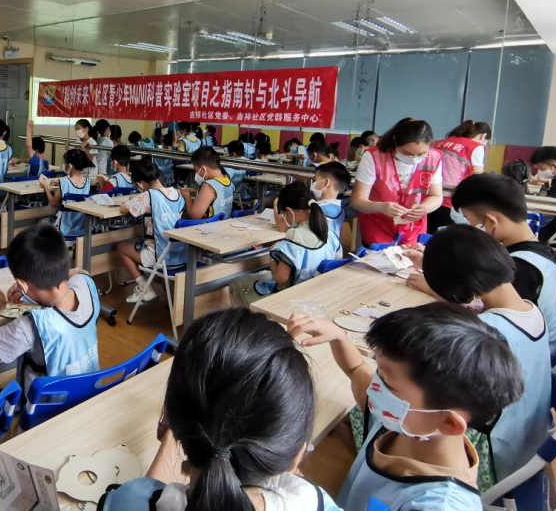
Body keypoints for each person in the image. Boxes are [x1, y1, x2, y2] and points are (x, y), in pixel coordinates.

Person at [100, 309, 339, 510]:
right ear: (296, 456)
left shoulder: (130, 499)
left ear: (170, 420)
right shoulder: (315, 501)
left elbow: (141, 496)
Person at [289, 304, 522, 510]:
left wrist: (305, 497)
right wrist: (338, 336)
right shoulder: (403, 419)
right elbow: (357, 368)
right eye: (378, 369)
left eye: (387, 381)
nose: (375, 386)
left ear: (449, 423)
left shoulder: (437, 505)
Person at [418, 226, 551, 485]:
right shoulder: (529, 310)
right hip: (525, 446)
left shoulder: (488, 333)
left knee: (372, 411)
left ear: (456, 287)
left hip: (491, 459)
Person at [0, 225, 99, 393]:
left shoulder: (31, 326)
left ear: (22, 284)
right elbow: (78, 272)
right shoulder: (86, 285)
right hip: (87, 393)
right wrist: (27, 286)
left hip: (46, 411)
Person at [449, 173, 556, 355]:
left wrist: (434, 287)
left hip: (524, 360)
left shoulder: (522, 267)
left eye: (471, 223)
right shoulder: (537, 250)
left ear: (491, 222)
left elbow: (490, 322)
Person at [229, 182, 335, 306]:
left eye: (283, 214)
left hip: (292, 299)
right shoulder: (329, 234)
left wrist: (272, 258)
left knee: (238, 282)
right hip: (318, 293)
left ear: (289, 212)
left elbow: (280, 278)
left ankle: (251, 324)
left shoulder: (295, 239)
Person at [350, 118, 443, 246]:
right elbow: (357, 200)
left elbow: (436, 196)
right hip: (378, 227)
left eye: (422, 154)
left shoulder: (434, 158)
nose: (414, 159)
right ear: (395, 142)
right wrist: (381, 207)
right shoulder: (375, 157)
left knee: (410, 263)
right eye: (407, 153)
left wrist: (424, 208)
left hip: (413, 229)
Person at [117, 159, 185, 304]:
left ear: (141, 184)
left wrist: (135, 198)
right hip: (178, 253)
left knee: (122, 247)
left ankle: (145, 288)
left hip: (159, 256)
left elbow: (123, 208)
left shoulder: (148, 196)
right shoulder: (176, 193)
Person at [428, 120, 492, 232]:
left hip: (428, 199)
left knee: (426, 239)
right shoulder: (475, 147)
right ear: (483, 136)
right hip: (450, 203)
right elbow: (477, 179)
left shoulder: (439, 142)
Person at [39, 149, 93, 239]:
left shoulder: (64, 182)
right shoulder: (88, 181)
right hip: (81, 228)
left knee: (40, 222)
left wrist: (45, 186)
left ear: (70, 166)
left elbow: (53, 203)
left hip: (64, 228)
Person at [181, 146, 233, 220]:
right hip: (223, 224)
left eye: (196, 171)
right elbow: (216, 199)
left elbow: (194, 216)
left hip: (208, 227)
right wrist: (197, 193)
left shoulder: (208, 186)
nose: (197, 174)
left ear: (203, 169)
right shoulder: (228, 181)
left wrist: (187, 197)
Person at [310, 161, 350, 254]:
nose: (313, 184)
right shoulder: (340, 209)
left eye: (315, 180)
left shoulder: (315, 209)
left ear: (326, 182)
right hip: (334, 255)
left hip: (316, 256)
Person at [226, 141, 254, 206]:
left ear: (233, 154)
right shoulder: (247, 161)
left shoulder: (229, 166)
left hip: (228, 191)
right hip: (239, 189)